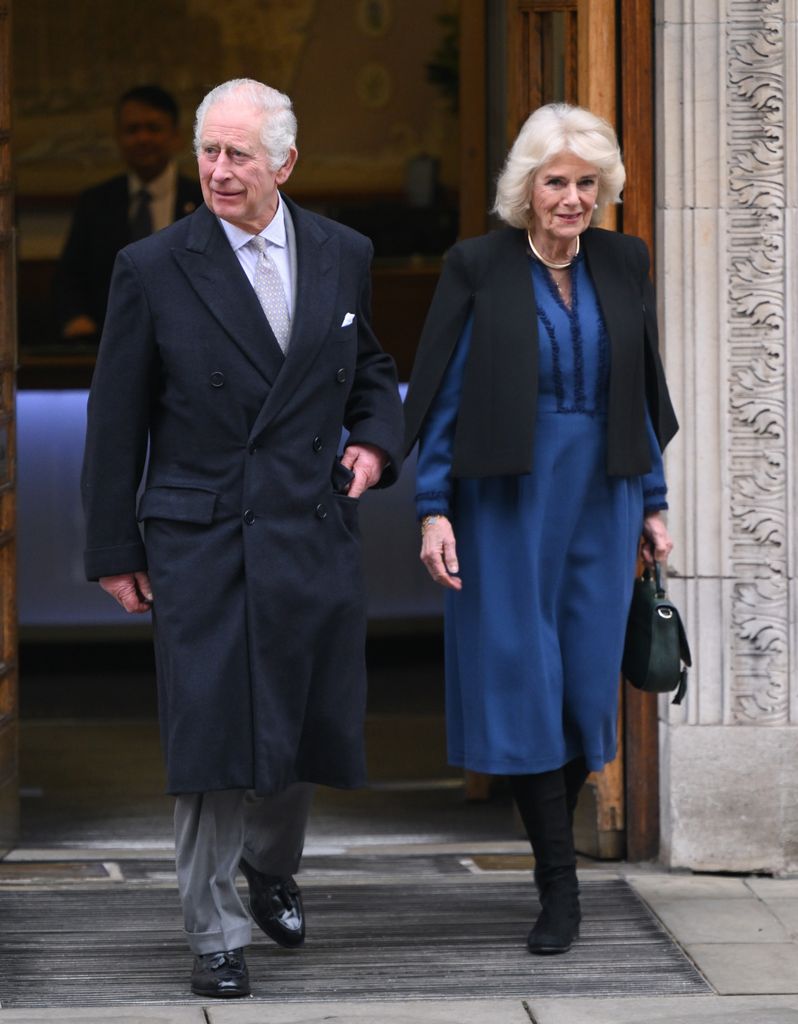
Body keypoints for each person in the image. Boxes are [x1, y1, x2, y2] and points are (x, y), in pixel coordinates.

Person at [81, 78, 403, 998]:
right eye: (209, 153)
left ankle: (270, 867)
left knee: (298, 721)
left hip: (308, 522)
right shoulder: (152, 265)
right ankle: (214, 932)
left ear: (285, 164)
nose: (218, 172)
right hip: (202, 531)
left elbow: (370, 367)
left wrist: (375, 446)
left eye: (238, 156)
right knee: (212, 731)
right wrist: (114, 549)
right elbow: (117, 417)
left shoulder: (344, 252)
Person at [403, 103, 678, 957]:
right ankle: (560, 886)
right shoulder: (478, 265)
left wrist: (656, 504)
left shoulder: (623, 260)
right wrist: (432, 508)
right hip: (506, 501)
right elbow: (444, 399)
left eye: (587, 184)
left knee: (582, 690)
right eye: (556, 182)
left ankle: (554, 863)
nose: (571, 199)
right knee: (523, 681)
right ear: (525, 187)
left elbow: (638, 388)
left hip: (604, 497)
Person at [54, 84, 203, 341]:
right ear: (118, 137)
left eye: (154, 128)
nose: (143, 138)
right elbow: (69, 277)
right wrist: (75, 318)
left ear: (176, 136)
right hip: (107, 343)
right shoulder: (95, 202)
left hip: (191, 341)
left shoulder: (204, 201)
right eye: (132, 130)